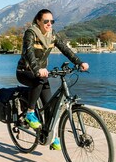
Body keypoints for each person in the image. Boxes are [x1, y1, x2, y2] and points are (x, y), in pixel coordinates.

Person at [16, 9, 89, 150]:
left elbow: (65, 49)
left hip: (42, 74)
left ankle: (52, 135)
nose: (49, 24)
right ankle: (30, 113)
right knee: (39, 81)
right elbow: (28, 52)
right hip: (25, 72)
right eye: (46, 21)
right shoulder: (31, 33)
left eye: (51, 21)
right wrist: (37, 69)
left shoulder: (52, 35)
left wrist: (79, 62)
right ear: (38, 21)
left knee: (49, 105)